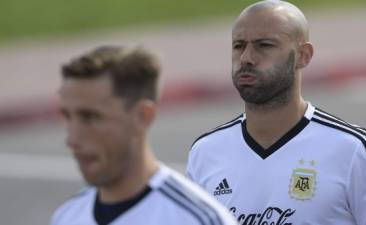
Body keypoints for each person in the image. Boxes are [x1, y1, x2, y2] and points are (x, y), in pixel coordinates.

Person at [186, 1, 366, 224]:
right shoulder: (205, 152)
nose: (246, 58)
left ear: (303, 55)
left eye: (264, 45)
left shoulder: (353, 149)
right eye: (238, 46)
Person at [51, 45, 238, 225]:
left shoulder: (201, 220)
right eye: (67, 116)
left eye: (91, 117)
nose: (72, 139)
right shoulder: (66, 216)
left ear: (142, 116)